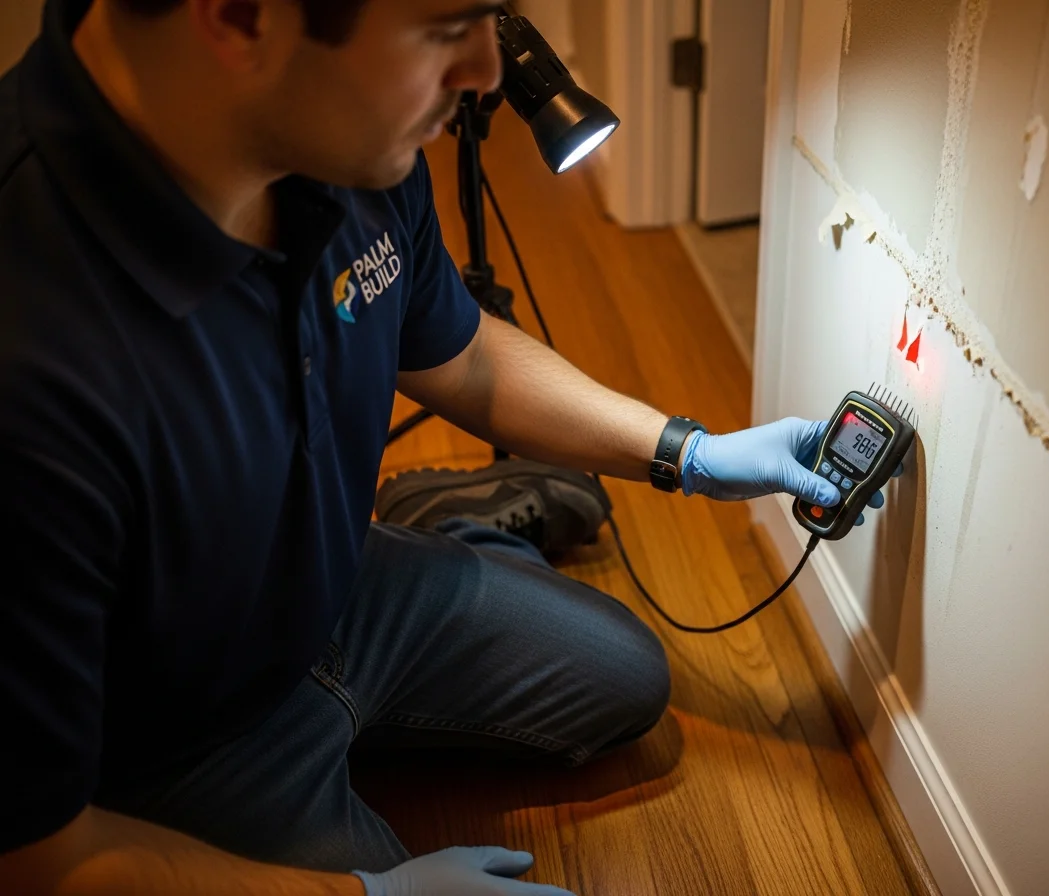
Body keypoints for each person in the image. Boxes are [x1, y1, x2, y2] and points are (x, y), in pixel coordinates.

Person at [0, 1, 888, 893]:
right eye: (444, 28)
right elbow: (44, 860)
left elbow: (459, 357)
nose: (486, 73)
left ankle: (427, 524)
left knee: (626, 678)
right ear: (238, 15)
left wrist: (690, 453)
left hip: (332, 591)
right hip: (167, 745)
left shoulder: (347, 145)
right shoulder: (35, 350)